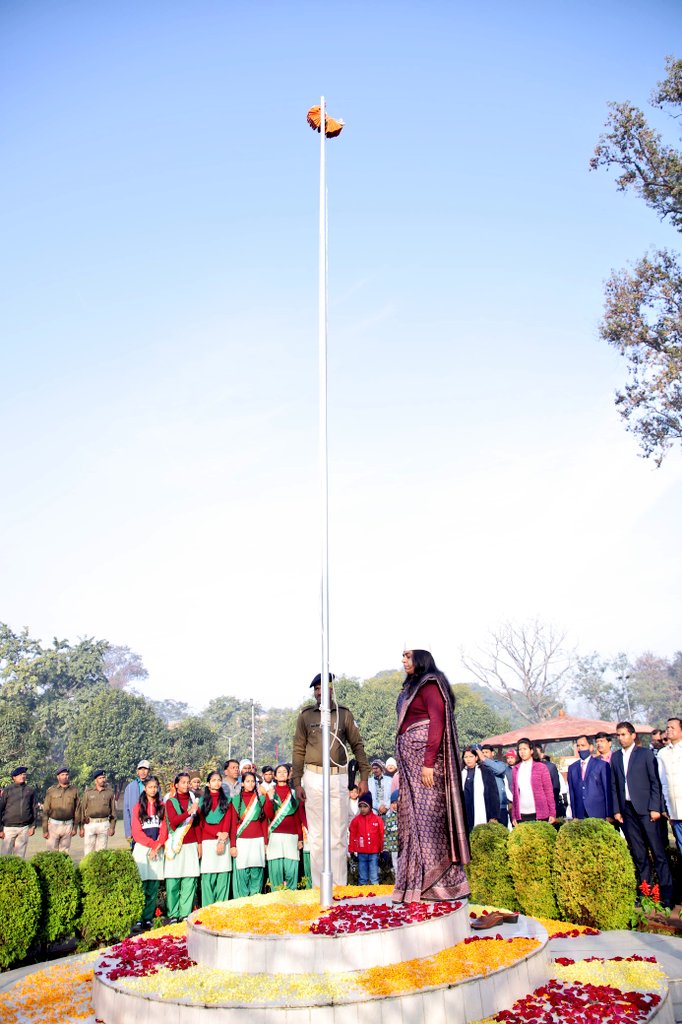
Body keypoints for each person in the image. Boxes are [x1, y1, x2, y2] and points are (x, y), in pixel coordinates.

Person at [393, 648, 470, 903]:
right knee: (412, 823)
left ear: (421, 659)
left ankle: (441, 884)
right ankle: (415, 885)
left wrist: (428, 763)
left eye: (408, 656)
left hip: (426, 766)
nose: (404, 661)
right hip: (409, 767)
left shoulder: (430, 685)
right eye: (402, 657)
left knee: (429, 823)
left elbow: (437, 722)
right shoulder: (411, 687)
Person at [292, 672, 371, 886]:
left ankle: (339, 887)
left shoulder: (344, 714)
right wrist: (297, 781)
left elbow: (358, 746)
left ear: (331, 689)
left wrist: (364, 776)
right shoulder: (306, 716)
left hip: (338, 777)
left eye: (322, 688)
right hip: (313, 777)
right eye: (315, 689)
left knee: (337, 836)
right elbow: (298, 749)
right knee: (317, 837)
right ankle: (319, 888)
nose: (319, 692)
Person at [610, 721, 673, 908]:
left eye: (623, 734)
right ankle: (647, 893)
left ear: (633, 735)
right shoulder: (615, 757)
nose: (620, 738)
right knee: (639, 855)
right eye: (618, 735)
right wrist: (617, 810)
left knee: (658, 853)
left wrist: (655, 807)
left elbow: (656, 783)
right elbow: (614, 785)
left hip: (647, 810)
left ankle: (667, 895)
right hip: (627, 811)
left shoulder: (645, 754)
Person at [131, 775, 168, 927]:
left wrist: (158, 845)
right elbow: (136, 832)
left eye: (155, 787)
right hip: (142, 849)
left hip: (157, 850)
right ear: (145, 789)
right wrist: (151, 845)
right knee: (142, 884)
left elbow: (164, 828)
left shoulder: (161, 806)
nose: (153, 789)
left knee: (153, 886)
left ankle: (148, 917)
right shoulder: (138, 807)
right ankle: (138, 918)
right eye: (150, 787)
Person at [164, 772, 201, 921]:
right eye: (183, 782)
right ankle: (173, 914)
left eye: (188, 782)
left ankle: (185, 913)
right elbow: (173, 822)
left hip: (191, 844)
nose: (186, 785)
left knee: (189, 878)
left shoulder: (194, 801)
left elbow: (198, 825)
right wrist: (188, 812)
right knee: (174, 879)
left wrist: (199, 844)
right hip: (176, 844)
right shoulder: (170, 802)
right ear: (177, 785)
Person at [230, 771, 273, 897]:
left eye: (253, 781)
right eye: (247, 781)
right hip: (241, 841)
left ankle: (255, 899)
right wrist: (233, 844)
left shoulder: (262, 799)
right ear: (242, 783)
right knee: (242, 871)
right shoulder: (235, 800)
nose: (251, 783)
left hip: (258, 840)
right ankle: (241, 901)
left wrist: (265, 842)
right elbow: (233, 825)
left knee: (256, 870)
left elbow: (266, 820)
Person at [198, 770, 235, 905]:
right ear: (208, 784)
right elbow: (201, 823)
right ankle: (207, 908)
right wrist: (216, 834)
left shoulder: (227, 800)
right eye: (213, 780)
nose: (217, 782)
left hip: (223, 841)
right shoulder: (202, 801)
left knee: (223, 873)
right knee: (208, 875)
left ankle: (221, 907)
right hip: (207, 841)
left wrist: (222, 838)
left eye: (219, 780)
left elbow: (228, 820)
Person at [266, 764, 305, 890]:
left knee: (291, 870)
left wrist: (300, 838)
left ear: (289, 775)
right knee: (276, 872)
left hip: (291, 836)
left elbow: (298, 817)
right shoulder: (270, 792)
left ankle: (291, 900)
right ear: (275, 776)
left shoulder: (294, 793)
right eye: (279, 772)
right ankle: (276, 901)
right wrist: (270, 799)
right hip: (275, 835)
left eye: (285, 772)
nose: (282, 774)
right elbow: (268, 815)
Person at [511, 739, 556, 825]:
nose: (522, 752)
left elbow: (548, 791)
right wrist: (514, 815)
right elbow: (515, 795)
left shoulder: (541, 767)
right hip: (522, 813)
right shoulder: (515, 769)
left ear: (531, 751)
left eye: (525, 749)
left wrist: (552, 813)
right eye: (520, 749)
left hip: (540, 813)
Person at [567, 736, 612, 819]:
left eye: (583, 745)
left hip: (599, 812)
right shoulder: (572, 768)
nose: (580, 748)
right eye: (578, 746)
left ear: (591, 747)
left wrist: (609, 814)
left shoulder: (601, 765)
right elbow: (572, 793)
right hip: (580, 813)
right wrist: (574, 815)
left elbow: (607, 790)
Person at [0, 767, 38, 858]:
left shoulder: (30, 790)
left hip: (24, 828)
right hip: (9, 828)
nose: (23, 776)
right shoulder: (7, 790)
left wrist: (32, 826)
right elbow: (0, 809)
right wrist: (0, 829)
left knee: (20, 857)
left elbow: (33, 808)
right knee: (5, 856)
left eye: (24, 774)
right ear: (14, 777)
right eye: (20, 775)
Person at [658, 717, 682, 858]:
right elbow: (663, 783)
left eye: (672, 727)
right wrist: (665, 807)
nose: (669, 730)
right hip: (675, 810)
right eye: (667, 728)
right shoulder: (663, 754)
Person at [349, 792, 385, 885]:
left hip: (374, 853)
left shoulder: (377, 820)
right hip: (361, 853)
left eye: (365, 806)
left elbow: (381, 835)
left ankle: (376, 897)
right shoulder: (356, 821)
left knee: (374, 878)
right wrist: (352, 851)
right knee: (362, 878)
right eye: (360, 807)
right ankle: (362, 897)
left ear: (370, 807)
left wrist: (382, 850)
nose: (362, 809)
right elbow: (352, 835)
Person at [461, 746, 500, 829]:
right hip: (464, 812)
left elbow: (493, 795)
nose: (468, 759)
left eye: (471, 756)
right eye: (466, 757)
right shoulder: (460, 773)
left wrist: (494, 816)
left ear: (476, 757)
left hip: (483, 811)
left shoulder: (485, 772)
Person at [42, 767, 80, 852]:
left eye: (66, 774)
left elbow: (77, 810)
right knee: (52, 853)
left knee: (65, 852)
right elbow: (46, 810)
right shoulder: (51, 790)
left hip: (68, 825)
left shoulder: (74, 790)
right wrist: (45, 830)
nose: (65, 776)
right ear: (58, 777)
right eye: (62, 775)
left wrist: (75, 827)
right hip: (53, 825)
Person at [79, 770, 116, 854]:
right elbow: (82, 810)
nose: (103, 779)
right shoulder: (88, 793)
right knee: (88, 852)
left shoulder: (109, 793)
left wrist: (112, 827)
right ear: (96, 780)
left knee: (101, 852)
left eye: (104, 777)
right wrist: (81, 828)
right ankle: (87, 867)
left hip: (104, 824)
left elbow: (113, 811)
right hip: (90, 824)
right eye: (100, 778)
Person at [479, 743, 510, 827]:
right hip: (486, 807)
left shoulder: (500, 764)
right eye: (482, 752)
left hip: (501, 806)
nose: (484, 754)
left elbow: (499, 770)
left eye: (486, 752)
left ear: (492, 753)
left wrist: (484, 760)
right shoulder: (479, 768)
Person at [123, 760, 151, 847]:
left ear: (149, 771)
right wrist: (128, 831)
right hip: (136, 824)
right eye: (140, 769)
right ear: (137, 771)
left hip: (151, 824)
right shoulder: (130, 787)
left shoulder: (154, 786)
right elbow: (126, 810)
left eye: (145, 769)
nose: (143, 772)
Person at [534, 743, 562, 817]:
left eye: (537, 753)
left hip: (548, 804)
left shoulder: (550, 767)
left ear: (542, 754)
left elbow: (556, 787)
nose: (535, 755)